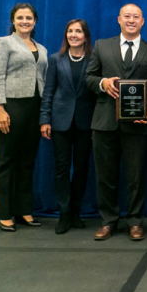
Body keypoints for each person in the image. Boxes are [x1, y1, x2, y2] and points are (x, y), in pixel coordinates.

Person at [86, 4, 147, 241]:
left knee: (135, 176)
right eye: (127, 16)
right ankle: (109, 221)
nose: (131, 20)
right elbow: (89, 78)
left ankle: (135, 221)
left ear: (143, 22)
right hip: (104, 123)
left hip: (137, 125)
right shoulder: (101, 45)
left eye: (136, 17)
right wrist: (103, 83)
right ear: (119, 19)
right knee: (105, 176)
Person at [0, 3, 48, 232]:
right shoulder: (3, 43)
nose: (25, 21)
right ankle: (4, 213)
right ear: (13, 20)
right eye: (20, 17)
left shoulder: (41, 48)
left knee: (27, 162)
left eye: (29, 17)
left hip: (35, 107)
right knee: (7, 159)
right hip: (12, 106)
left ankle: (24, 210)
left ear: (35, 21)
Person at [39, 19, 96, 234]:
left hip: (85, 122)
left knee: (81, 168)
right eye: (70, 31)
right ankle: (63, 213)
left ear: (85, 35)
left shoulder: (93, 60)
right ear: (66, 35)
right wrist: (44, 119)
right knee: (62, 168)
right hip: (60, 122)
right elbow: (48, 91)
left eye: (78, 31)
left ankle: (75, 212)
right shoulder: (56, 59)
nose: (74, 35)